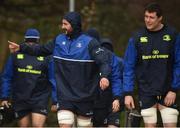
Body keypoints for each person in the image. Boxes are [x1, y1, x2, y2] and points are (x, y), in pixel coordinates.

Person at [8, 12, 111, 127]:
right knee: (65, 125)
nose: (62, 27)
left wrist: (104, 76)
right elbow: (40, 50)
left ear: (74, 24)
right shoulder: (58, 41)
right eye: (62, 24)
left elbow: (104, 61)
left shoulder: (90, 43)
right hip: (65, 96)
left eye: (65, 24)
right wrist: (21, 48)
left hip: (85, 97)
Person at [123, 2, 180, 127]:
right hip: (146, 91)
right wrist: (128, 93)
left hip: (168, 91)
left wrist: (174, 89)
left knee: (171, 123)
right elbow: (128, 67)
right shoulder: (137, 37)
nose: (148, 20)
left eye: (151, 17)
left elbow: (178, 64)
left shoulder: (173, 35)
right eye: (146, 17)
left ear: (160, 18)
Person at [0, 28, 55, 127]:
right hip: (20, 99)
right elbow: (7, 77)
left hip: (39, 98)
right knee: (24, 126)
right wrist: (4, 97)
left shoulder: (47, 57)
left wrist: (56, 100)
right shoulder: (15, 55)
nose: (31, 44)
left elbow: (52, 79)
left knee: (37, 125)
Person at [86, 28, 124, 127]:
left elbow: (117, 79)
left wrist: (117, 98)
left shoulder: (113, 59)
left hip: (109, 101)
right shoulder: (82, 57)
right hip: (90, 102)